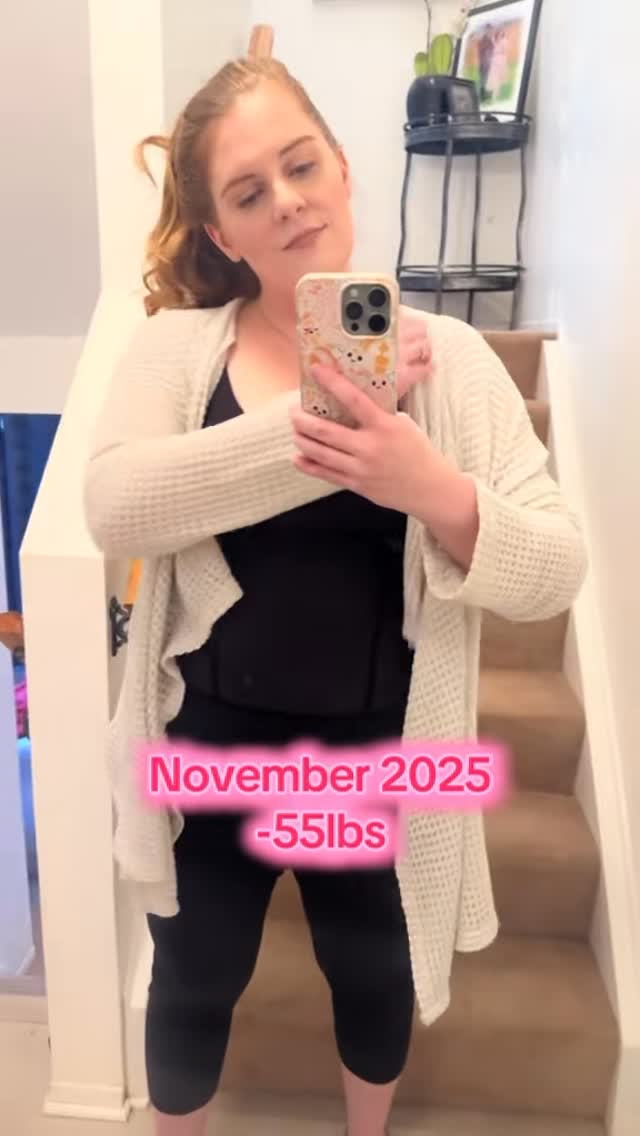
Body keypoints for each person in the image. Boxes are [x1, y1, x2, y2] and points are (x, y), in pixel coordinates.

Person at [83, 57, 587, 1136]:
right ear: (223, 235)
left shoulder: (452, 361)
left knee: (373, 975)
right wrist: (321, 424)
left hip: (380, 751)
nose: (287, 201)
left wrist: (431, 488)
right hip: (205, 747)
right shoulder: (175, 352)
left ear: (345, 168)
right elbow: (117, 506)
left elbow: (557, 566)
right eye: (248, 192)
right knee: (192, 980)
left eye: (301, 165)